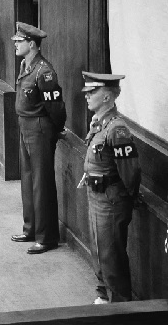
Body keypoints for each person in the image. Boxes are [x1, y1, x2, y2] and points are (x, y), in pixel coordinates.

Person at [80, 72, 140, 304]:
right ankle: (104, 293)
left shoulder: (117, 129)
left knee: (111, 255)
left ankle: (121, 306)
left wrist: (130, 196)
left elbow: (130, 170)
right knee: (99, 250)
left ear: (107, 97)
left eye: (92, 92)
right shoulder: (99, 123)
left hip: (111, 201)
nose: (87, 96)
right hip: (97, 196)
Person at [10, 22, 66, 254]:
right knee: (28, 178)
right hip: (25, 126)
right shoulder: (26, 64)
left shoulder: (44, 71)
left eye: (19, 41)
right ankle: (30, 227)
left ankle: (46, 236)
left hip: (40, 128)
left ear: (31, 44)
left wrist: (56, 129)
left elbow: (56, 107)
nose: (15, 44)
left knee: (41, 182)